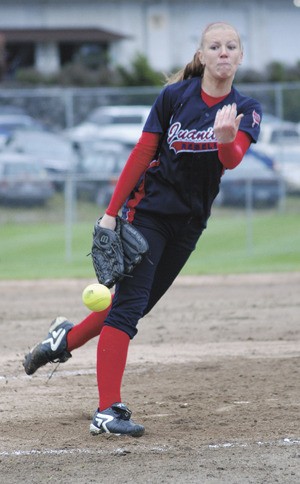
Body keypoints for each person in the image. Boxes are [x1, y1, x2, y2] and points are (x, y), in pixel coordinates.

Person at [23, 21, 262, 437]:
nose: (223, 52)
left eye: (231, 47)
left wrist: (225, 138)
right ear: (202, 56)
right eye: (214, 46)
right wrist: (110, 212)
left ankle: (63, 340)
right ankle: (106, 411)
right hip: (147, 213)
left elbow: (233, 159)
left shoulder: (246, 108)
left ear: (240, 57)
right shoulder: (174, 97)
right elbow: (143, 151)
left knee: (134, 306)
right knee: (129, 310)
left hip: (189, 224)